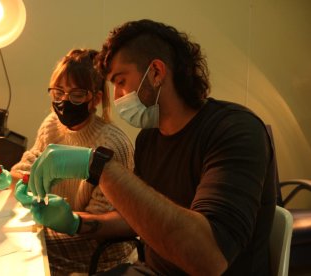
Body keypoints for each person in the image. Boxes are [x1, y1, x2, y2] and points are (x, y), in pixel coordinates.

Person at [22, 19, 277, 275]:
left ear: (156, 72)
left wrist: (100, 166)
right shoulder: (148, 139)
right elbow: (134, 220)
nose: (118, 97)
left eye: (121, 81)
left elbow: (210, 259)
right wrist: (77, 222)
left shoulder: (235, 130)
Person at [0, 48, 137, 275]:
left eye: (76, 94)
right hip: (63, 229)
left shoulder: (112, 144)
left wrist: (64, 221)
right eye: (58, 92)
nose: (64, 101)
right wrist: (8, 177)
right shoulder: (52, 124)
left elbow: (100, 225)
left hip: (100, 251)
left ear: (95, 99)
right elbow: (30, 166)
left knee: (15, 254)